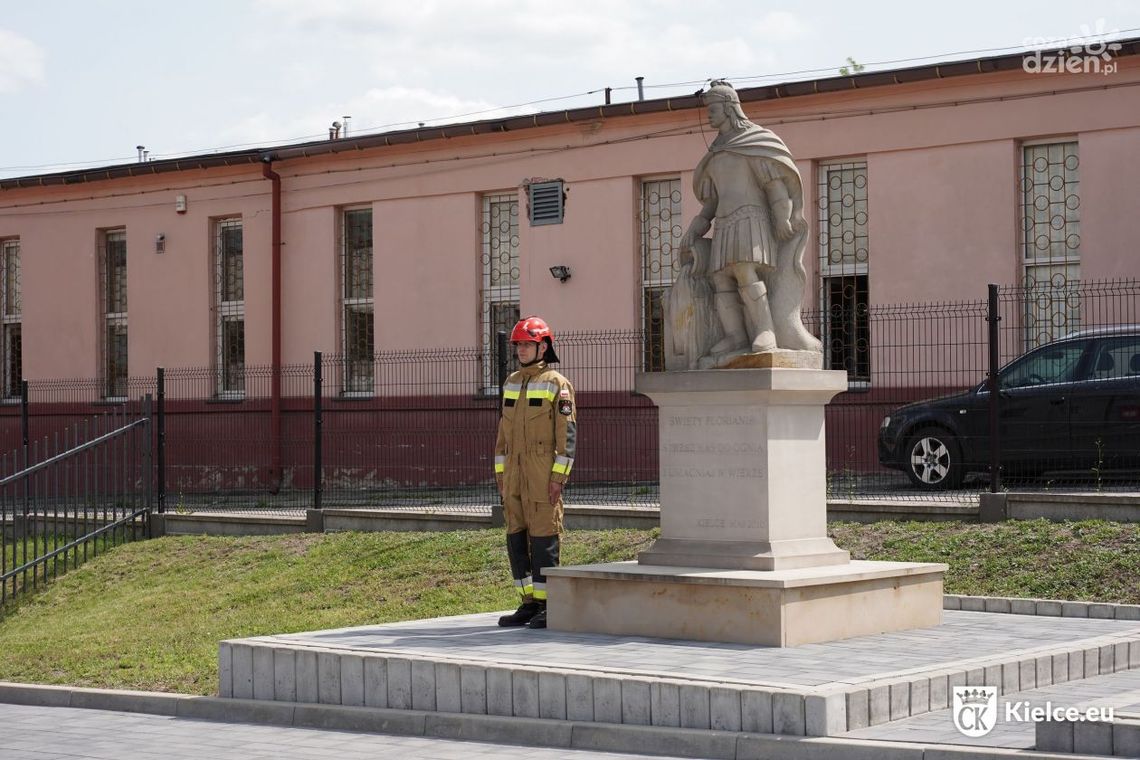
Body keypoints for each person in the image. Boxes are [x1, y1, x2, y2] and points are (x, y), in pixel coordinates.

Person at [679, 79, 821, 361]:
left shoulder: (754, 143)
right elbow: (711, 202)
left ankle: (765, 330)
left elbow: (774, 186)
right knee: (720, 278)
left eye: (714, 108)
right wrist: (695, 228)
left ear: (730, 108)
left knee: (745, 272)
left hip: (751, 219)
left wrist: (783, 217)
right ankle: (736, 335)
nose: (709, 114)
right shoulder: (716, 152)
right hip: (724, 222)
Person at [493, 315, 576, 629]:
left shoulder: (557, 384)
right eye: (518, 345)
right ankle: (528, 603)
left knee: (543, 537)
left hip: (542, 474)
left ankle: (548, 604)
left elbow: (567, 435)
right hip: (513, 475)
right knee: (516, 536)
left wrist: (558, 478)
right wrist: (501, 475)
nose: (521, 350)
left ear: (544, 346)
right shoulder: (512, 382)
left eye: (527, 344)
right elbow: (503, 432)